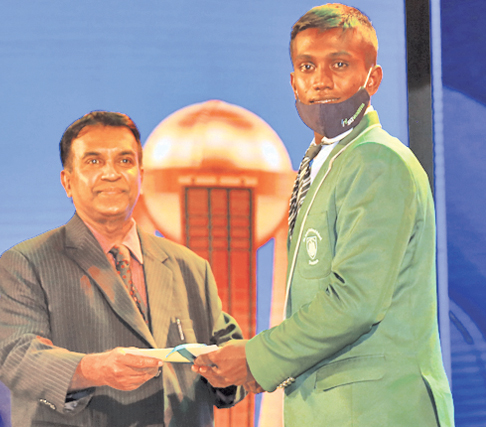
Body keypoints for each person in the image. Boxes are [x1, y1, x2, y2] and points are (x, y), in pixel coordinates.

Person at [192, 4, 455, 427]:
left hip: (377, 409)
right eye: (307, 66)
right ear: (293, 81)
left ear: (373, 78)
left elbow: (355, 300)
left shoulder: (377, 161)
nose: (321, 81)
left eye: (339, 64)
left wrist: (258, 358)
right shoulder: (322, 163)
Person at [0, 111, 244, 427]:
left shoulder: (191, 267)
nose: (111, 173)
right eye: (94, 162)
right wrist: (93, 369)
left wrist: (227, 372)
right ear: (67, 181)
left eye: (124, 161)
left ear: (141, 175)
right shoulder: (28, 262)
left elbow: (233, 364)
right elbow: (17, 357)